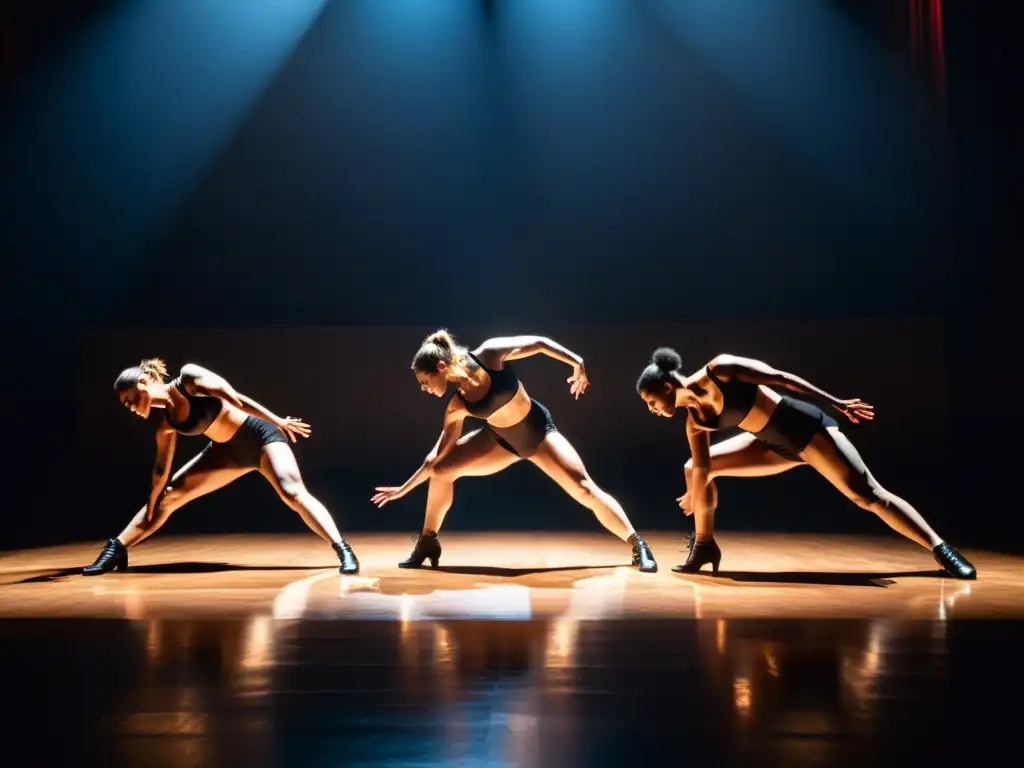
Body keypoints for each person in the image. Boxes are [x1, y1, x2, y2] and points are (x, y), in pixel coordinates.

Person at [635, 347, 976, 579]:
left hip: (806, 431)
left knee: (867, 495)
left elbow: (781, 378)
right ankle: (705, 547)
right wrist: (694, 494)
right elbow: (703, 467)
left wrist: (836, 402)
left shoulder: (719, 370)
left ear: (667, 386)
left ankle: (941, 549)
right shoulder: (693, 420)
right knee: (691, 469)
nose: (651, 409)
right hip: (770, 445)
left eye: (651, 401)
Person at [371, 330, 658, 572]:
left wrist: (577, 362)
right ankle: (427, 541)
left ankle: (637, 544)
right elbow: (435, 459)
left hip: (538, 433)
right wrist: (403, 489)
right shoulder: (457, 406)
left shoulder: (489, 355)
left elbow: (540, 343)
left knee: (584, 489)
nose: (424, 388)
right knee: (443, 470)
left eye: (425, 381)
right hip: (498, 442)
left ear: (441, 368)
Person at [83, 358, 359, 575]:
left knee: (292, 492)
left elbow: (235, 397)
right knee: (168, 498)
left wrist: (278, 421)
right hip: (224, 454)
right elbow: (160, 471)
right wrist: (154, 501)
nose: (130, 407)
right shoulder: (165, 422)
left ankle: (343, 549)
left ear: (144, 382)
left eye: (129, 399)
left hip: (260, 438)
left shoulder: (188, 378)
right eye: (125, 405)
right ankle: (116, 549)